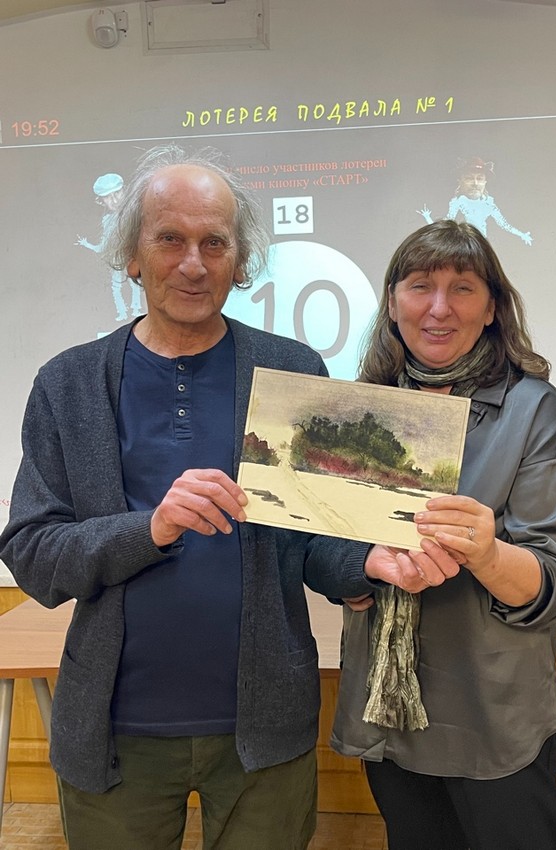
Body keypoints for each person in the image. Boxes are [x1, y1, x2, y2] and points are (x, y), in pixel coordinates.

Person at [0, 144, 337, 850]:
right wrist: (147, 528)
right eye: (170, 239)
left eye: (214, 242)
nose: (193, 263)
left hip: (264, 729)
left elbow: (317, 537)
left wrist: (371, 569)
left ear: (240, 261)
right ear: (131, 256)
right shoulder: (68, 384)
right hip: (115, 730)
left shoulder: (292, 371)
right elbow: (32, 554)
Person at [304, 220, 556, 850]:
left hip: (493, 721)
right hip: (388, 716)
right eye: (420, 286)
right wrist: (366, 565)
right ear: (391, 302)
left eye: (462, 288)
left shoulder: (534, 410)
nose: (439, 308)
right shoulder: (361, 406)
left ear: (491, 308)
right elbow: (318, 552)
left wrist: (487, 554)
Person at [76, 172, 144, 322]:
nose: (114, 200)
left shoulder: (140, 215)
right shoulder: (108, 221)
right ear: (101, 201)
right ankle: (122, 313)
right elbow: (105, 245)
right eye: (108, 197)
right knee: (117, 286)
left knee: (135, 283)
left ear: (124, 190)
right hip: (116, 261)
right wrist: (87, 245)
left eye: (117, 193)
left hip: (134, 258)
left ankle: (136, 309)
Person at [418, 156, 533, 245]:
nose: (475, 183)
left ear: (485, 182)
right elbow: (445, 225)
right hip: (464, 246)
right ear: (460, 181)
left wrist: (522, 235)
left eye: (480, 178)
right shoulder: (459, 202)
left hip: (482, 246)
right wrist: (428, 217)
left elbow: (504, 225)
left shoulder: (489, 204)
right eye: (469, 178)